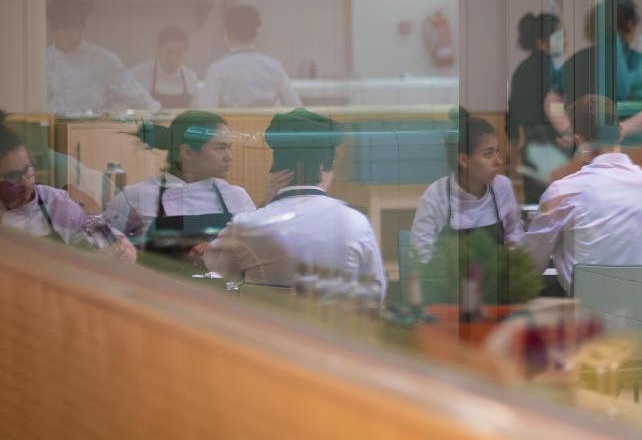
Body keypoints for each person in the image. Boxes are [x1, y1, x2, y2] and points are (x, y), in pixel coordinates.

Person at [204, 109, 385, 300]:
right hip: (333, 329)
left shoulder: (245, 226)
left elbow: (215, 270)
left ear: (278, 168)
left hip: (266, 329)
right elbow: (376, 293)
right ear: (324, 166)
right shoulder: (356, 223)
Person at [521, 95, 642, 293]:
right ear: (620, 131)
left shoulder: (562, 192)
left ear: (578, 140)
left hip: (586, 317)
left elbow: (531, 266)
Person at [104, 110, 256, 260]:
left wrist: (226, 248)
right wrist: (122, 247)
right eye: (220, 148)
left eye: (229, 147)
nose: (229, 157)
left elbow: (259, 248)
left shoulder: (236, 197)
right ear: (187, 152)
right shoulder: (136, 196)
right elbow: (99, 235)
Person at [1, 112, 137, 262]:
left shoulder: (57, 202)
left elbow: (102, 234)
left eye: (28, 171)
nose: (26, 183)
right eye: (13, 177)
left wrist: (120, 243)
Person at [551, 0, 642, 148]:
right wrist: (621, 130)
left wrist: (568, 130)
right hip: (629, 150)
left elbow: (552, 100)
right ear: (631, 25)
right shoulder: (638, 63)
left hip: (584, 150)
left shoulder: (578, 61)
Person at [410, 110, 523, 263]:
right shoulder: (435, 197)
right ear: (463, 160)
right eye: (488, 154)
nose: (499, 161)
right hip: (449, 285)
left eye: (498, 151)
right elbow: (421, 258)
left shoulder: (502, 187)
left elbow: (515, 235)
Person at [45, 0, 160, 115]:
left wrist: (157, 113)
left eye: (78, 30)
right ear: (53, 31)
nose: (74, 37)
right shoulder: (43, 60)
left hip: (91, 130)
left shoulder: (103, 60)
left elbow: (138, 96)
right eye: (67, 31)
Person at [507, 12, 567, 204]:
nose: (565, 41)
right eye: (559, 36)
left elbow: (513, 113)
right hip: (546, 143)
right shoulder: (547, 70)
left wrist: (515, 144)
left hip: (532, 144)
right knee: (549, 203)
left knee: (538, 203)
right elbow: (554, 107)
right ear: (542, 43)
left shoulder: (525, 68)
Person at [195, 5, 301, 109]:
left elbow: (206, 113)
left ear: (227, 35)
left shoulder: (217, 70)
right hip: (269, 126)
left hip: (231, 126)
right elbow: (297, 108)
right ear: (256, 34)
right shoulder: (274, 67)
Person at [131, 24, 200, 109]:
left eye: (179, 53)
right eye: (169, 52)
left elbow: (196, 113)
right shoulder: (139, 74)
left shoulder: (191, 78)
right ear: (158, 48)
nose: (173, 58)